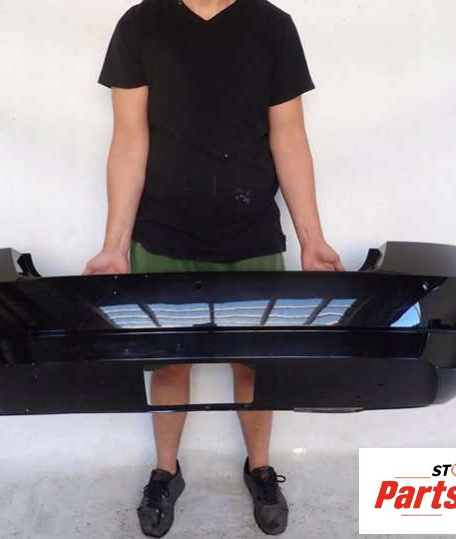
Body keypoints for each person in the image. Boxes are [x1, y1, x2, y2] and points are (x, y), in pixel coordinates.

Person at [84, 0, 343, 536]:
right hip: (164, 233)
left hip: (251, 232)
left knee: (253, 363)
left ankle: (260, 468)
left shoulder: (272, 26)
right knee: (169, 364)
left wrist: (312, 239)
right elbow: (129, 138)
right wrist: (114, 246)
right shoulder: (141, 24)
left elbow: (289, 136)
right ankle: (165, 472)